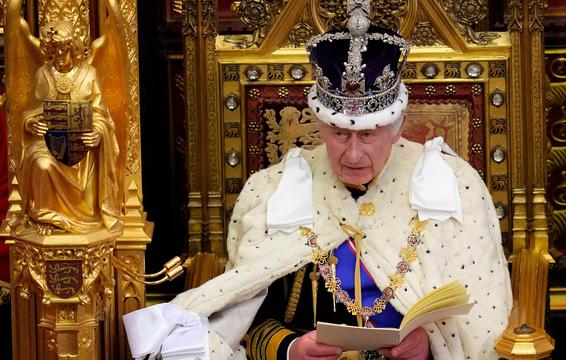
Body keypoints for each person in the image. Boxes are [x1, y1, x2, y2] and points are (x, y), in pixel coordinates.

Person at [124, 1, 512, 358]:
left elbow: (478, 328)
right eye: (340, 134)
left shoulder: (452, 183)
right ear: (320, 124)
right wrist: (291, 349)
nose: (354, 154)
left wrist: (428, 345)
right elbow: (244, 321)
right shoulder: (275, 190)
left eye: (368, 135)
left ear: (397, 127)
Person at [16, 20, 122, 235]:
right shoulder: (43, 75)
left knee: (87, 158)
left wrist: (98, 133)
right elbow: (30, 111)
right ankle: (46, 217)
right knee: (41, 163)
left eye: (65, 51)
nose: (61, 58)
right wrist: (31, 123)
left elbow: (101, 114)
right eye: (55, 52)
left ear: (73, 49)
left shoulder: (89, 74)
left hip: (82, 146)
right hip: (49, 144)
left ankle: (88, 214)